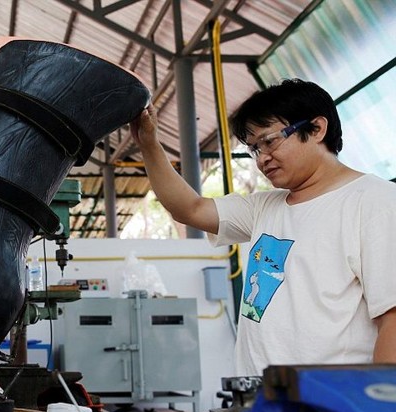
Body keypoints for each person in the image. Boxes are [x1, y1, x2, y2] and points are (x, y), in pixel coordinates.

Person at [130, 78, 396, 376]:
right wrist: (149, 144)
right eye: (254, 149)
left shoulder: (376, 202)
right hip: (261, 402)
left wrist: (379, 408)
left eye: (269, 141)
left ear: (318, 129)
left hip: (330, 408)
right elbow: (190, 209)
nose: (262, 159)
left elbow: (393, 319)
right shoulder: (265, 207)